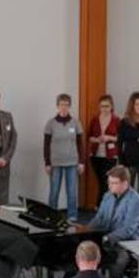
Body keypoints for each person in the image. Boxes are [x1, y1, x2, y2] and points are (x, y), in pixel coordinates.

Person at [87, 165, 139, 278]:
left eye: (114, 183)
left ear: (125, 183)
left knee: (118, 259)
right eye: (109, 182)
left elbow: (128, 229)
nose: (110, 186)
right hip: (107, 240)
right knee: (81, 252)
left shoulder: (136, 201)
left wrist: (107, 238)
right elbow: (99, 219)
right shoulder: (107, 196)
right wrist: (85, 231)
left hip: (127, 244)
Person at [44, 94, 84, 222]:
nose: (64, 107)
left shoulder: (76, 123)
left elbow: (80, 144)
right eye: (62, 104)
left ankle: (72, 216)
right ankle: (52, 216)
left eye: (67, 104)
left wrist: (81, 162)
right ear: (57, 106)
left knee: (72, 192)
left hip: (72, 162)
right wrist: (47, 163)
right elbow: (46, 145)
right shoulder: (50, 123)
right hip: (55, 163)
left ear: (69, 106)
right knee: (54, 191)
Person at [88, 95, 120, 208]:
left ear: (111, 106)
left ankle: (102, 206)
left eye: (107, 106)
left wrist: (108, 138)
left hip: (110, 156)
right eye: (102, 106)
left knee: (106, 181)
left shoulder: (116, 120)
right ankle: (105, 206)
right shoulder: (94, 119)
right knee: (102, 181)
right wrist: (97, 140)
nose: (104, 109)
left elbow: (120, 138)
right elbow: (89, 137)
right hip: (96, 156)